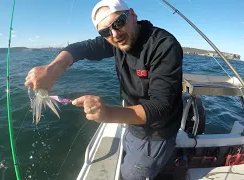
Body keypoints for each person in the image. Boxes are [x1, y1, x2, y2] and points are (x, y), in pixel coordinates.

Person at [25, 0, 183, 179]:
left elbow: (160, 107)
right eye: (105, 31)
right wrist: (53, 69)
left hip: (156, 132)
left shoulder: (163, 45)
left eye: (119, 22)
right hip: (133, 123)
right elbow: (80, 49)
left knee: (132, 174)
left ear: (132, 15)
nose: (114, 34)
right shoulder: (114, 39)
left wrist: (107, 114)